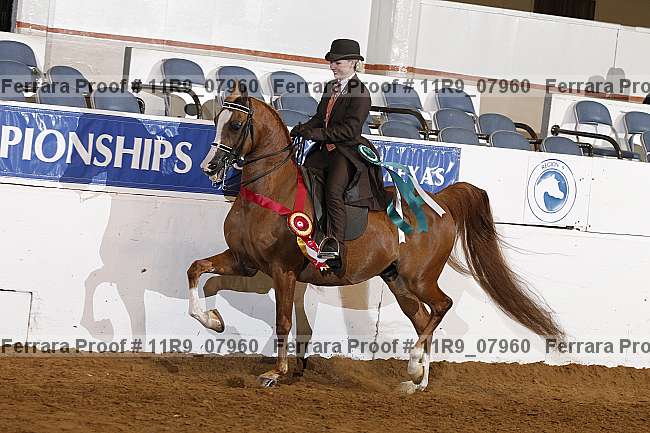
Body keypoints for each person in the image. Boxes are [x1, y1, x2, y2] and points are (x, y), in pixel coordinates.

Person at [291, 39, 386, 264]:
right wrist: (304, 128)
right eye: (331, 62)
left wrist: (317, 134)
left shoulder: (360, 92)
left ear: (353, 62)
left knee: (333, 190)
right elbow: (320, 117)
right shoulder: (330, 87)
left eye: (337, 62)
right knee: (299, 180)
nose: (332, 66)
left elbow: (350, 130)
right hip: (324, 150)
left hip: (346, 152)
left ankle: (335, 244)